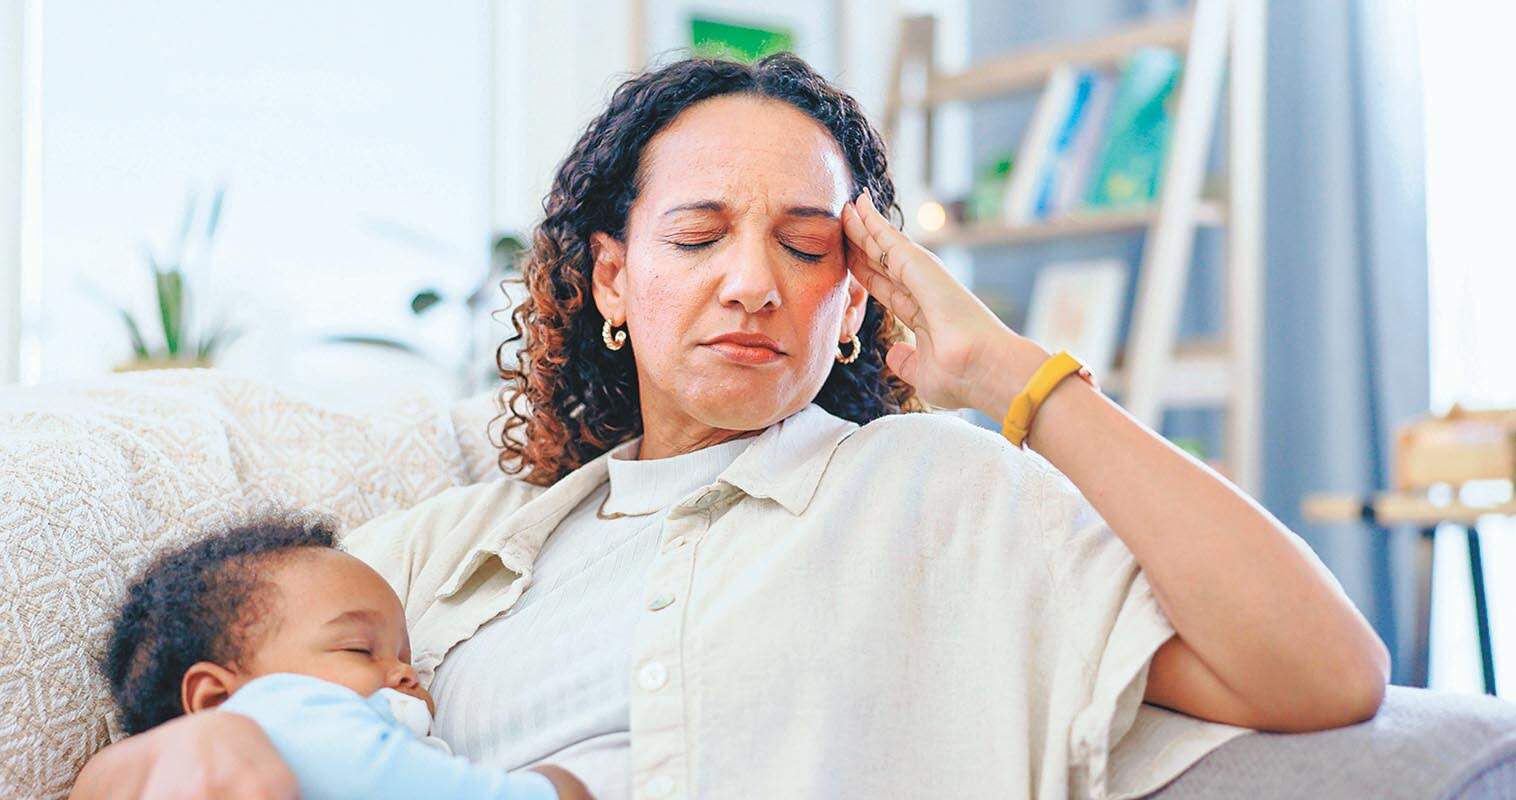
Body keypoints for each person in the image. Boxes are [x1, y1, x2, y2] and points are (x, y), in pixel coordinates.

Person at [72, 53, 1389, 799]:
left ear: (855, 290)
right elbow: (219, 709)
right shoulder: (453, 549)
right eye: (697, 236)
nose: (753, 281)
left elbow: (1324, 676)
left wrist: (1011, 379)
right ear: (609, 283)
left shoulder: (937, 492)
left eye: (808, 247)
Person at [76, 517, 589, 800]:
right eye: (358, 649)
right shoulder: (268, 719)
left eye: (405, 655)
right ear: (215, 700)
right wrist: (552, 790)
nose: (405, 672)